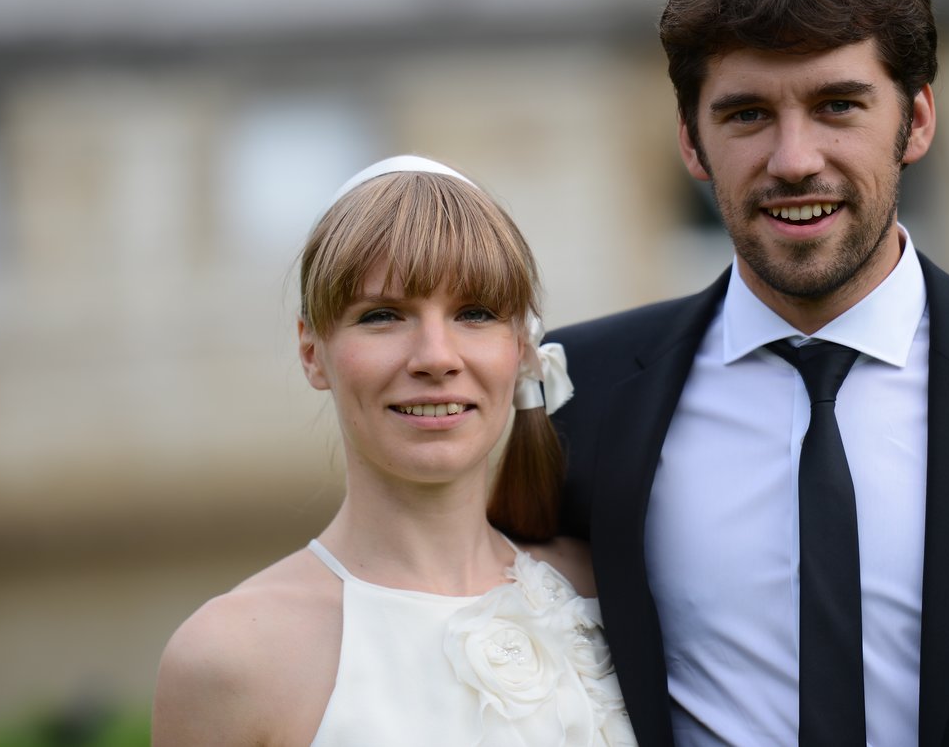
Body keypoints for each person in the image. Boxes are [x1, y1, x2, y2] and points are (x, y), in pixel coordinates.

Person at [549, 0, 949, 747]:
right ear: (691, 142)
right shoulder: (578, 393)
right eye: (747, 115)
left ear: (918, 120)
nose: (794, 158)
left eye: (838, 106)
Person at [151, 155, 636, 746]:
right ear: (312, 351)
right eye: (383, 316)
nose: (436, 356)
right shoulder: (231, 656)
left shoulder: (608, 588)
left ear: (521, 348)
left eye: (475, 314)